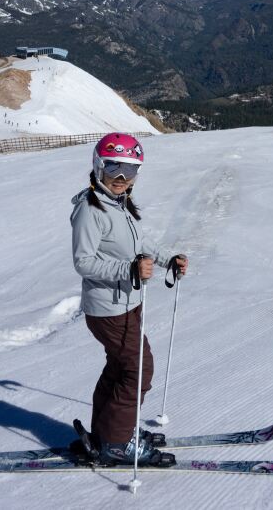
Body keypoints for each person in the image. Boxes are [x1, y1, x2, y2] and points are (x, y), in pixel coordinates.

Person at [69, 132, 188, 465]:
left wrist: (167, 258)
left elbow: (138, 243)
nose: (121, 177)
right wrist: (129, 270)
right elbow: (83, 261)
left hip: (125, 304)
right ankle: (118, 442)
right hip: (108, 308)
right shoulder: (90, 209)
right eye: (113, 167)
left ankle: (107, 433)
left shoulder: (117, 204)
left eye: (130, 170)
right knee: (138, 370)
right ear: (98, 165)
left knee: (120, 368)